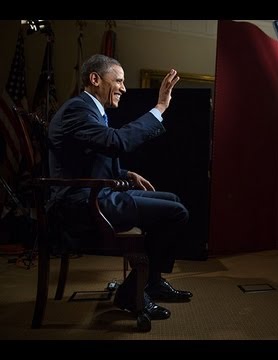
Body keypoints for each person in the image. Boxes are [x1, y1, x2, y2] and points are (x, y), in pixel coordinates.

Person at [47, 54, 192, 320]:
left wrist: (127, 173)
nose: (124, 88)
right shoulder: (78, 109)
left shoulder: (88, 109)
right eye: (119, 81)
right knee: (176, 213)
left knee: (173, 199)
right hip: (80, 202)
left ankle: (153, 282)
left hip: (96, 192)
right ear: (95, 79)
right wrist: (159, 107)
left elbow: (88, 157)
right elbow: (116, 142)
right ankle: (133, 290)